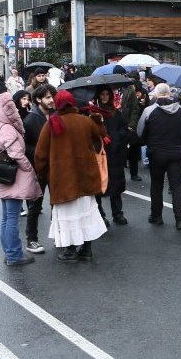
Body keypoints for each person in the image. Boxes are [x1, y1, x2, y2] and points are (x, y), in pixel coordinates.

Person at [34, 90, 109, 261]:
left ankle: (70, 250)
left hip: (63, 179)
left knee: (67, 216)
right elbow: (101, 139)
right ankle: (87, 249)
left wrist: (43, 173)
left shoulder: (52, 123)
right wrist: (97, 119)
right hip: (85, 176)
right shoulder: (85, 121)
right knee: (86, 213)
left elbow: (40, 154)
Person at [0, 92, 42, 267]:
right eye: (12, 107)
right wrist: (29, 168)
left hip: (2, 176)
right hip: (14, 177)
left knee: (6, 217)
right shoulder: (8, 128)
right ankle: (14, 254)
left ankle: (9, 251)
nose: (15, 109)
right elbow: (16, 154)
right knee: (12, 218)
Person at [137, 84, 181, 229]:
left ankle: (156, 216)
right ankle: (180, 219)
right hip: (176, 152)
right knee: (176, 185)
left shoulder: (149, 111)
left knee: (156, 185)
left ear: (156, 95)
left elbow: (140, 132)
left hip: (156, 152)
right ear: (170, 94)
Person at [22, 84, 56, 254]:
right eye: (48, 97)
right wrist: (39, 153)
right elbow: (24, 145)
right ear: (38, 99)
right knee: (35, 205)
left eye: (52, 97)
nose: (51, 100)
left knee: (58, 202)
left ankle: (58, 235)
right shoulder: (31, 119)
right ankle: (32, 239)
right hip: (38, 168)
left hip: (55, 166)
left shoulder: (55, 116)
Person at [92, 87, 129, 225]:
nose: (105, 97)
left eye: (107, 94)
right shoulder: (93, 112)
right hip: (100, 154)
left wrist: (118, 138)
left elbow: (123, 128)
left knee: (116, 185)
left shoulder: (116, 112)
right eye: (102, 94)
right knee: (99, 186)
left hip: (115, 153)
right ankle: (100, 215)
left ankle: (117, 213)